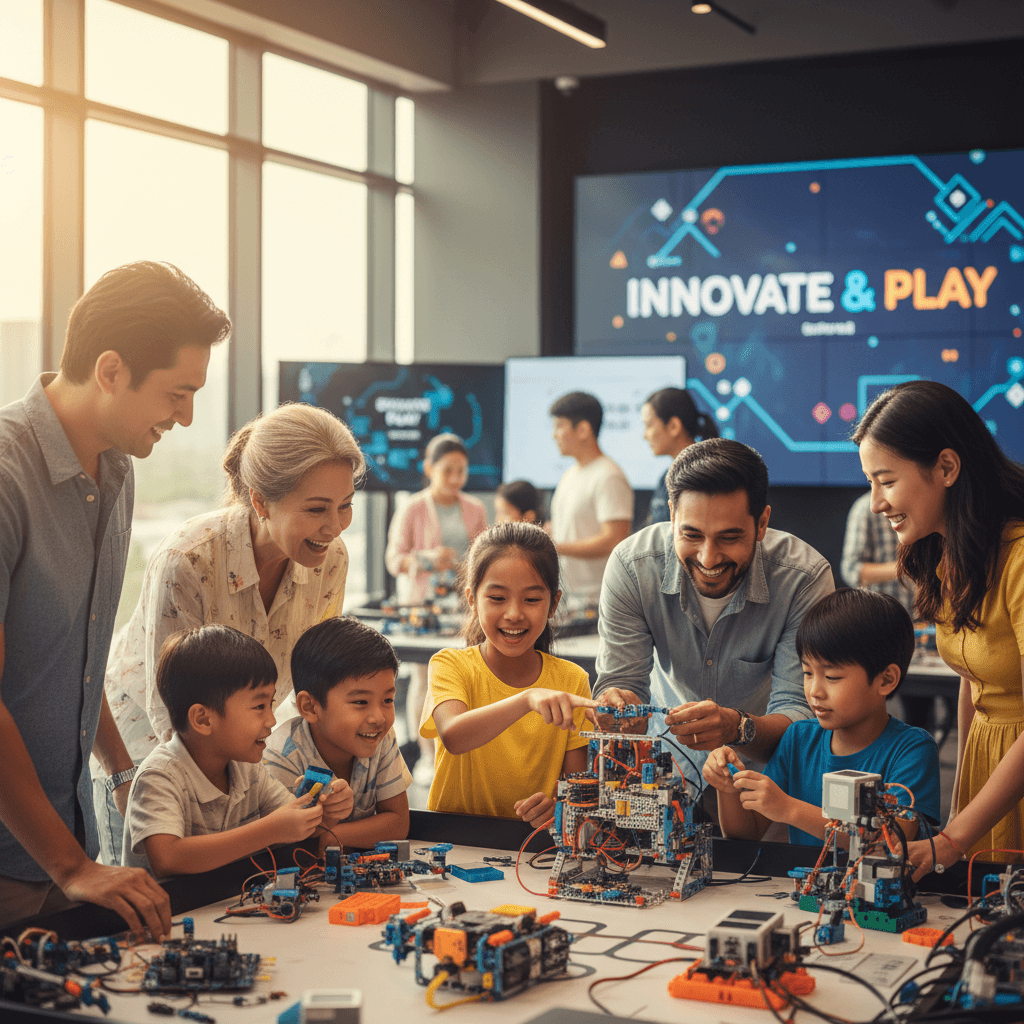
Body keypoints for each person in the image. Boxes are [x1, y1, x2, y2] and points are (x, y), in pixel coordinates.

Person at [0, 260, 229, 933]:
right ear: (110, 370)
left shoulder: (119, 468)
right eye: (177, 393)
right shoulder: (7, 477)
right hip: (26, 861)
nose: (185, 418)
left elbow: (75, 651)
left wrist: (121, 770)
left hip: (70, 847)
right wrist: (72, 867)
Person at [99, 402, 364, 864]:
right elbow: (172, 710)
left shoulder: (330, 559)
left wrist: (316, 779)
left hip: (238, 760)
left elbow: (313, 682)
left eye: (345, 507)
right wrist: (126, 779)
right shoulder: (189, 560)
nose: (335, 526)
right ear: (260, 500)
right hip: (146, 755)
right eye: (318, 509)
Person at [852, 380, 1024, 876]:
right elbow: (975, 680)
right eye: (870, 483)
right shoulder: (941, 557)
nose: (876, 503)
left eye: (885, 480)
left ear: (946, 467)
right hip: (988, 780)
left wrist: (954, 837)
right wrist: (961, 813)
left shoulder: (1019, 558)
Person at [593, 438, 835, 782]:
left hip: (767, 778)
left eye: (729, 538)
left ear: (762, 523)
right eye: (691, 534)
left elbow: (800, 716)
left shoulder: (803, 579)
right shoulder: (633, 566)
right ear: (672, 516)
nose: (708, 558)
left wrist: (738, 728)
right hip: (664, 769)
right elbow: (623, 681)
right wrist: (619, 706)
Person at [703, 589, 941, 846]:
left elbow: (891, 841)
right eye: (807, 673)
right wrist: (726, 787)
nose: (815, 691)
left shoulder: (911, 749)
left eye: (832, 677)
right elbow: (745, 835)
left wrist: (790, 809)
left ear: (885, 679)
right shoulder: (800, 738)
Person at [122, 625, 347, 876]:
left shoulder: (248, 769)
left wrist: (324, 813)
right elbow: (168, 857)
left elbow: (293, 828)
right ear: (204, 720)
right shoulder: (160, 776)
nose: (272, 720)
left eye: (270, 704)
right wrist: (269, 830)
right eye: (259, 706)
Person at [419, 522, 600, 826]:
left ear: (553, 604)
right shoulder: (450, 665)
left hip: (530, 848)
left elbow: (576, 791)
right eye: (497, 598)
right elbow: (453, 735)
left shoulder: (572, 680)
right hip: (453, 842)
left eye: (531, 599)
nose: (514, 613)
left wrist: (556, 805)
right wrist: (527, 698)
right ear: (472, 600)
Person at [385, 433, 487, 784]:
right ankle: (426, 756)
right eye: (448, 471)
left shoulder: (474, 508)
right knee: (423, 678)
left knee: (460, 675)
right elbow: (393, 559)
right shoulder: (412, 507)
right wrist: (427, 559)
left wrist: (463, 565)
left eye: (462, 470)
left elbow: (483, 554)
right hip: (423, 607)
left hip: (461, 605)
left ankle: (455, 750)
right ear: (429, 469)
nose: (457, 478)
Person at [263, 617, 411, 846]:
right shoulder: (282, 757)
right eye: (361, 702)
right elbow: (281, 843)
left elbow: (398, 823)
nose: (379, 718)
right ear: (310, 707)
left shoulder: (381, 738)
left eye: (388, 699)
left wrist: (331, 838)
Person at [548, 391, 633, 606]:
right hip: (568, 595)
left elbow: (614, 539)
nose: (554, 434)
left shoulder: (608, 475)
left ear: (583, 429)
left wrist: (556, 546)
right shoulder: (570, 474)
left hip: (598, 599)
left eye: (559, 426)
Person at [641, 387, 718, 524]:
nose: (644, 436)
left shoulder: (702, 476)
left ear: (674, 426)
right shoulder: (667, 475)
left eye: (649, 425)